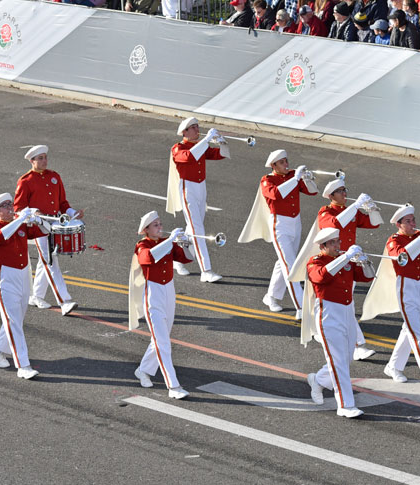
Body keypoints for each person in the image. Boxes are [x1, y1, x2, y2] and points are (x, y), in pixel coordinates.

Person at [289, 178, 382, 360]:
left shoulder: (350, 212)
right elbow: (335, 225)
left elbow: (375, 223)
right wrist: (356, 206)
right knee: (336, 302)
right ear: (331, 196)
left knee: (344, 302)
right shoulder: (325, 212)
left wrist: (371, 208)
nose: (345, 194)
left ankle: (325, 332)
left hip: (348, 263)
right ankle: (356, 344)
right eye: (340, 191)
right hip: (329, 262)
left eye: (345, 190)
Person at [362, 205, 420, 392]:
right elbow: (404, 257)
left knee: (409, 329)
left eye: (413, 220)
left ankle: (393, 366)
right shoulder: (394, 241)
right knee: (417, 335)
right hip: (406, 287)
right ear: (398, 224)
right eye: (408, 221)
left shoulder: (419, 236)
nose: (413, 224)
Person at [302, 229, 376, 418]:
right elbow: (321, 277)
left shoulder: (346, 259)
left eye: (338, 241)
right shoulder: (315, 262)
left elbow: (367, 277)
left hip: (348, 313)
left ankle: (318, 380)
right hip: (328, 315)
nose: (338, 246)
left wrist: (364, 260)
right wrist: (347, 258)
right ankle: (345, 405)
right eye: (333, 243)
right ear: (323, 246)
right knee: (338, 363)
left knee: (346, 358)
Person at [0, 193, 49, 380]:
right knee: (14, 321)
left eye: (10, 204)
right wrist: (21, 218)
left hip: (24, 275)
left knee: (16, 318)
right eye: (5, 206)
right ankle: (23, 366)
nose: (10, 208)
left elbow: (46, 231)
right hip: (6, 277)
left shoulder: (21, 223)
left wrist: (39, 219)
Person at [239, 149, 318, 319]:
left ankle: (271, 296)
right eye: (282, 162)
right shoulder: (267, 180)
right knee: (290, 265)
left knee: (285, 262)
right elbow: (275, 194)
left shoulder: (292, 175)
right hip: (280, 225)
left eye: (286, 161)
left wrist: (306, 178)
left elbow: (313, 191)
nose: (286, 164)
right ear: (273, 165)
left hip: (296, 223)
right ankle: (301, 308)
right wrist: (296, 178)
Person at [128, 211, 194, 399]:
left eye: (160, 223)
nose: (160, 227)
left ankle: (143, 370)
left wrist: (186, 242)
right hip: (153, 293)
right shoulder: (142, 245)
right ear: (146, 229)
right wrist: (171, 240)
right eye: (155, 225)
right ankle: (173, 386)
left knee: (161, 337)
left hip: (169, 291)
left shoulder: (166, 243)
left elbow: (188, 258)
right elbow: (149, 258)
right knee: (163, 342)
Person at [14, 145, 83, 315]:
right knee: (51, 261)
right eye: (40, 158)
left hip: (55, 224)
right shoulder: (26, 181)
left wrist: (74, 213)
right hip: (39, 226)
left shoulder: (54, 177)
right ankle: (64, 301)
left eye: (45, 157)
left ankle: (36, 296)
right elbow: (18, 208)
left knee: (45, 260)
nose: (44, 161)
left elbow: (62, 203)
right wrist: (33, 212)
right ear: (32, 161)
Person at [166, 117, 228, 283]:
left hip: (201, 188)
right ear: (184, 132)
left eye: (197, 127)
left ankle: (177, 260)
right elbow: (188, 157)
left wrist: (222, 142)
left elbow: (221, 155)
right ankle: (206, 270)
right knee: (197, 230)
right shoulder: (178, 148)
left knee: (192, 228)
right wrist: (207, 140)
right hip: (188, 189)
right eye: (193, 128)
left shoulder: (199, 146)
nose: (197, 130)